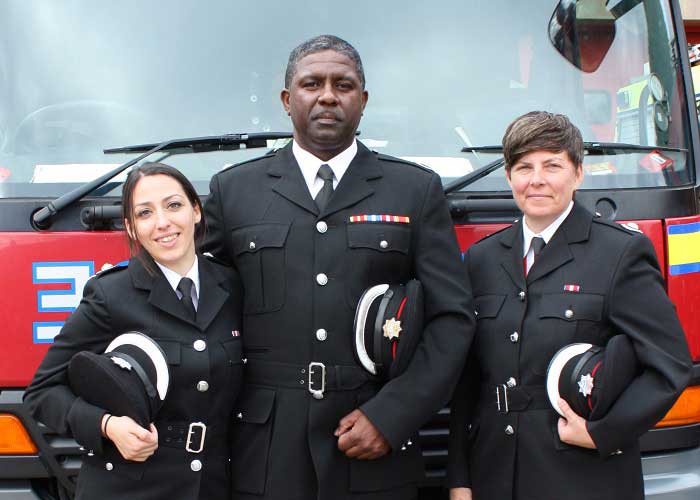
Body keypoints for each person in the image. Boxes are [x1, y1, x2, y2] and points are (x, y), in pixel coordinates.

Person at [202, 35, 474, 500]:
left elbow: (452, 320)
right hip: (266, 450)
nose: (328, 95)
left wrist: (393, 415)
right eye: (312, 83)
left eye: (343, 85)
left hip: (374, 447)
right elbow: (199, 311)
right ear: (288, 101)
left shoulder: (414, 189)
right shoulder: (234, 191)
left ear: (363, 101)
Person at [447, 111, 692, 500]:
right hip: (494, 475)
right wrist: (459, 478)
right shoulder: (482, 259)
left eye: (552, 165)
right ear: (509, 177)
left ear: (578, 173)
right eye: (524, 166)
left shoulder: (620, 253)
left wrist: (603, 432)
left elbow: (670, 364)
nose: (537, 179)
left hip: (582, 477)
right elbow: (469, 380)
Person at [24, 162, 244, 500]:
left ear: (196, 212)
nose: (162, 223)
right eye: (144, 213)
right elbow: (41, 392)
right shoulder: (110, 295)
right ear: (131, 227)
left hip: (214, 485)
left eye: (173, 206)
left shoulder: (232, 285)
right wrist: (107, 426)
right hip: (131, 487)